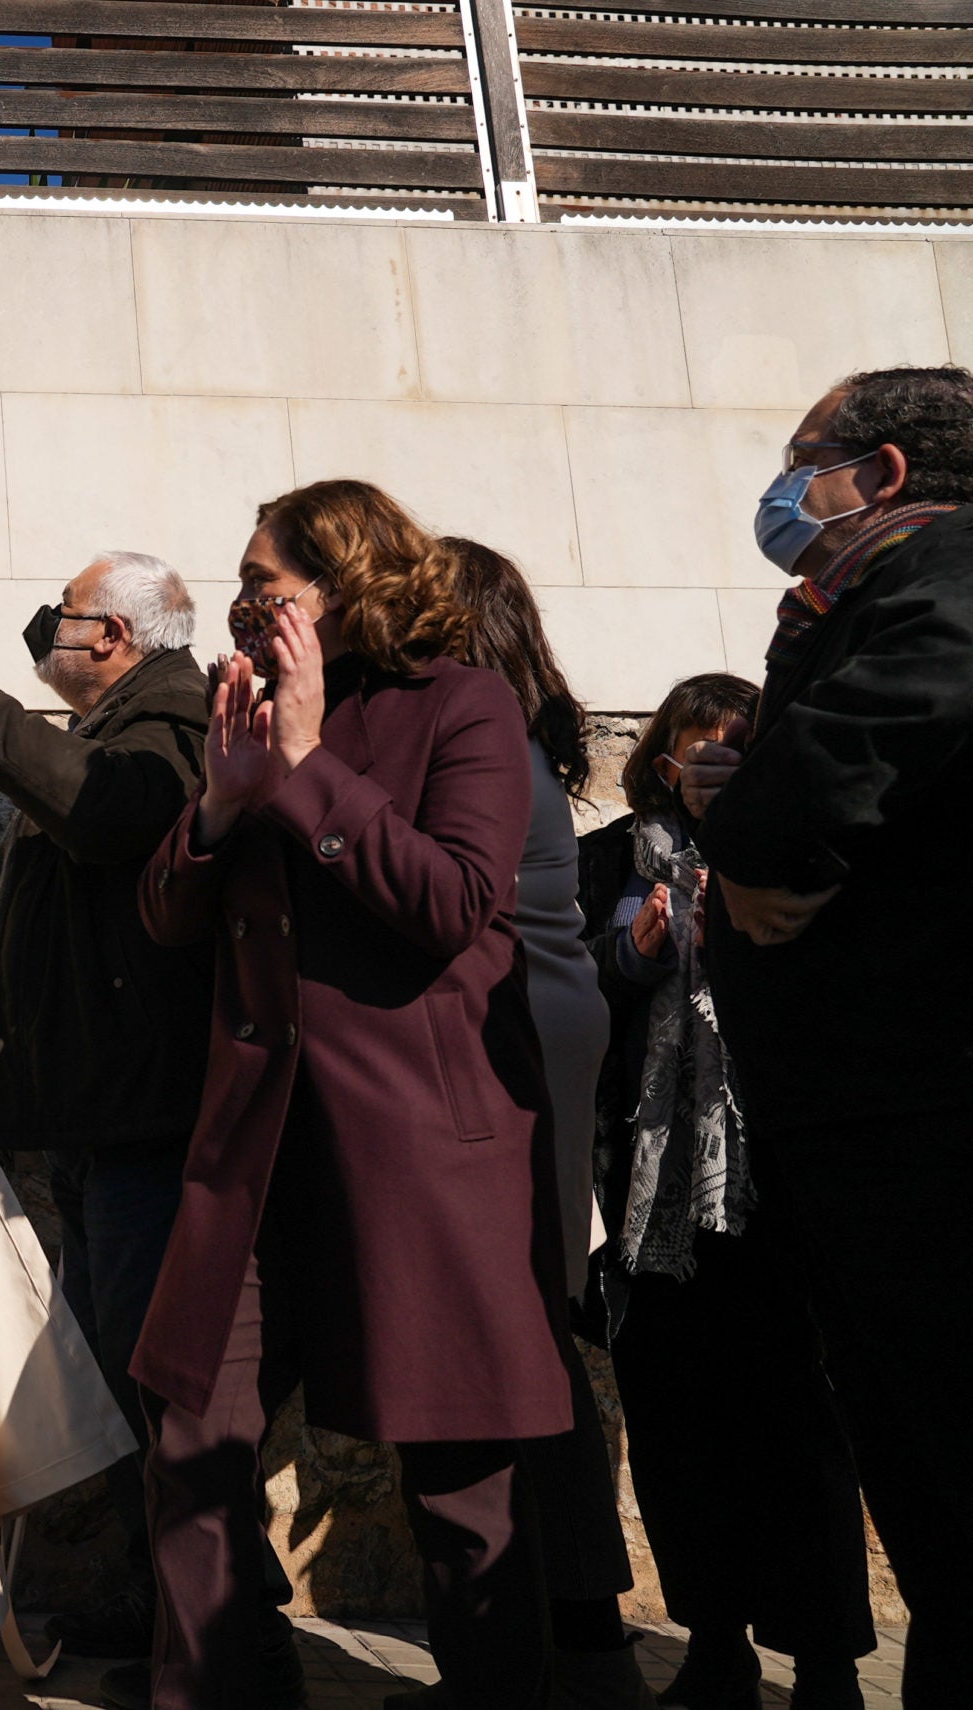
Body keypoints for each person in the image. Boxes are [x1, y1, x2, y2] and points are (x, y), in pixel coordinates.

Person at [135, 481, 570, 1710]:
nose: (242, 605)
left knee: (460, 1484)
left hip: (418, 1153)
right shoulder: (252, 714)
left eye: (265, 583)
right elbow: (167, 916)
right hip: (257, 1155)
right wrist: (221, 799)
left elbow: (449, 904)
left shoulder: (462, 707)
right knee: (191, 1439)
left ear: (342, 586)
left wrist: (311, 762)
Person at [682, 362, 973, 1708]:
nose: (785, 491)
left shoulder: (949, 589)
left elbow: (825, 785)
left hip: (921, 1114)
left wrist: (747, 834)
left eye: (808, 461)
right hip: (860, 1120)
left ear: (887, 475)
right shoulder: (852, 605)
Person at [0, 553, 211, 1684]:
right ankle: (163, 1613)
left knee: (149, 1384)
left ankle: (214, 1634)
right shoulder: (129, 723)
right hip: (105, 1125)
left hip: (146, 1130)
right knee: (116, 1383)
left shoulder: (170, 724)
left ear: (120, 638)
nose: (51, 630)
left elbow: (105, 817)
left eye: (68, 617)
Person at [579, 674, 871, 1710]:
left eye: (734, 755)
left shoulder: (806, 847)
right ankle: (713, 1644)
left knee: (794, 1425)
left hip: (769, 1187)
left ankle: (828, 1659)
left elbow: (834, 988)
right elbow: (577, 993)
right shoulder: (609, 857)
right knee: (675, 1424)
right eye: (694, 754)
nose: (708, 771)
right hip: (651, 1200)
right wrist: (631, 951)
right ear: (659, 758)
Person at [442, 539, 647, 1710]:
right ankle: (578, 1634)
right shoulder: (516, 728)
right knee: (530, 1336)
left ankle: (577, 1636)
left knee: (523, 1341)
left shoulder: (478, 737)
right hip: (542, 1029)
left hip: (516, 1035)